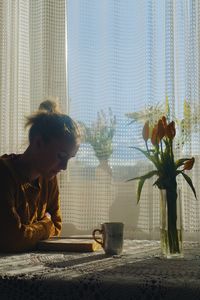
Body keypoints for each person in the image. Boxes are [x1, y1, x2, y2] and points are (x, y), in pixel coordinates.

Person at [0, 100, 80, 252]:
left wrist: (29, 231)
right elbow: (12, 240)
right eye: (61, 156)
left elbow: (57, 225)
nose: (64, 167)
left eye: (69, 158)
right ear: (38, 143)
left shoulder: (49, 177)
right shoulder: (4, 174)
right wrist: (45, 224)